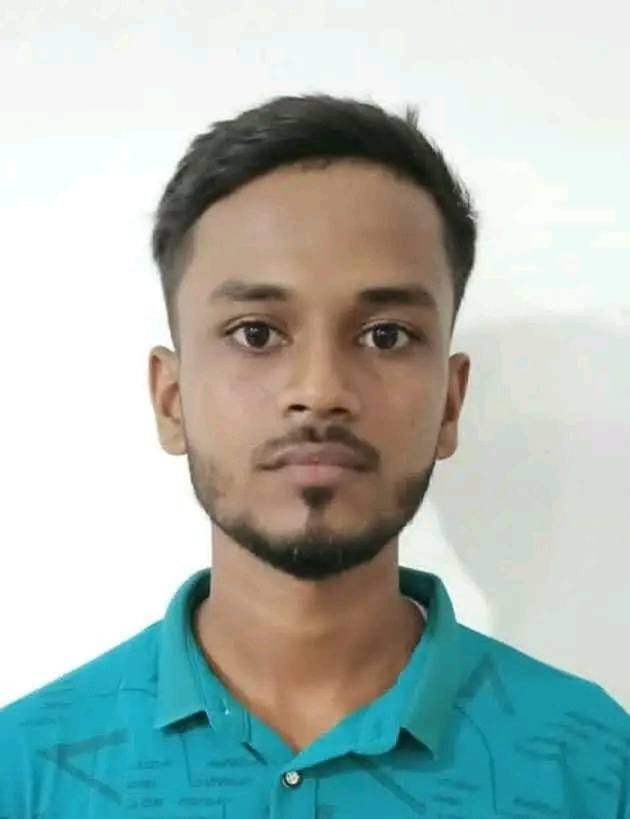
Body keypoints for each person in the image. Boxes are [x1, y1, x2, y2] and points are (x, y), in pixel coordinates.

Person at [1, 93, 627, 818]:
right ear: (171, 399)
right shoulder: (26, 770)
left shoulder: (596, 765)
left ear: (450, 405)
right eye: (257, 333)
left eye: (386, 335)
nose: (321, 391)